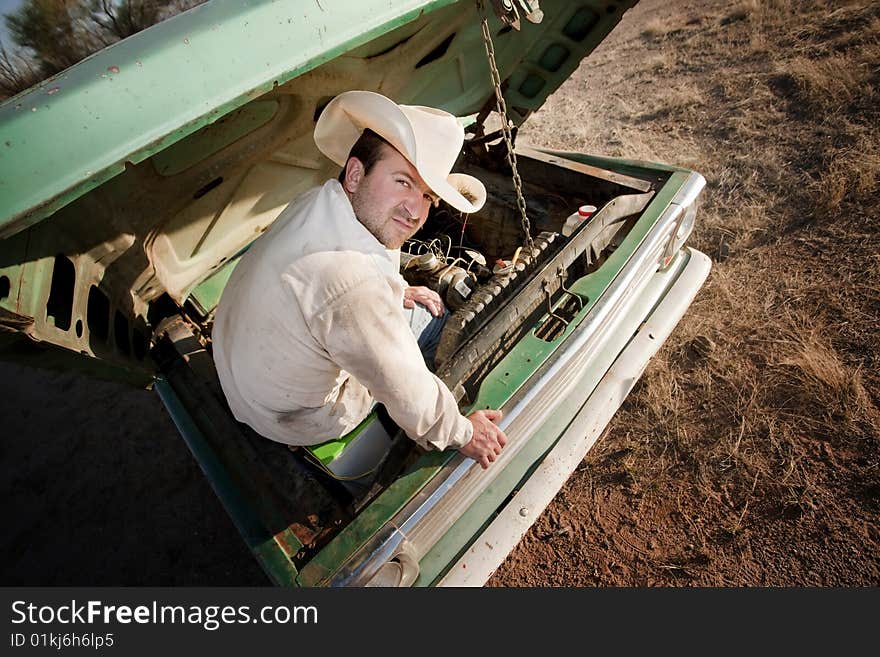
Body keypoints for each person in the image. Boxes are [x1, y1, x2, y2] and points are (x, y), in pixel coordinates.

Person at [212, 90, 507, 470]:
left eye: (428, 196)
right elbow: (404, 386)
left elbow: (365, 265)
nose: (416, 211)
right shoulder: (352, 283)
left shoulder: (317, 202)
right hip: (299, 418)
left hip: (246, 384)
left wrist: (397, 288)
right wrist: (464, 432)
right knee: (434, 324)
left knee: (410, 305)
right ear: (355, 173)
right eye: (402, 182)